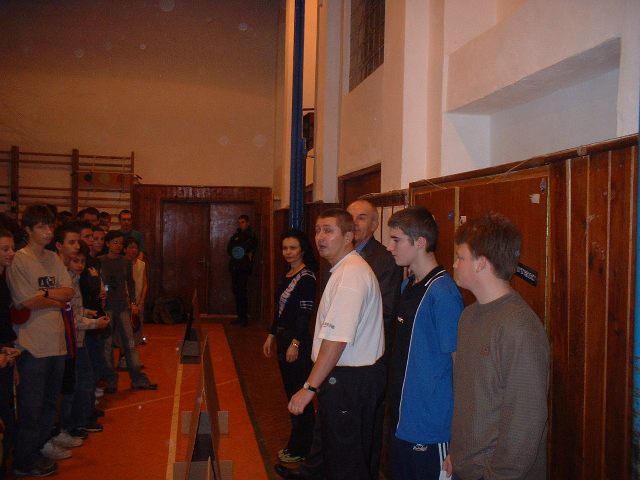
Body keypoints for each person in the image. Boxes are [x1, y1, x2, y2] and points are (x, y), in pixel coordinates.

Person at [276, 199, 402, 480]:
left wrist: (309, 387)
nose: (320, 237)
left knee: (347, 462)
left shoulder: (351, 276)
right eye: (318, 230)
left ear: (348, 237)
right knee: (340, 453)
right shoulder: (345, 269)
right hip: (349, 378)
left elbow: (336, 341)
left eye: (329, 230)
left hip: (350, 379)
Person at [444, 213, 549, 480]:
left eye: (460, 257)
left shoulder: (519, 326)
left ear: (481, 263)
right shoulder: (468, 316)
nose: (454, 264)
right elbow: (470, 397)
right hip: (464, 467)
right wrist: (457, 453)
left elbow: (525, 419)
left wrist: (495, 475)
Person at [386, 207, 463, 480]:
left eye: (396, 240)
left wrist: (458, 437)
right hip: (403, 420)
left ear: (420, 242)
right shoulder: (407, 286)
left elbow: (459, 366)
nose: (390, 247)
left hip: (431, 428)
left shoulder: (443, 293)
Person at [7, 204, 74, 477]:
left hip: (57, 344)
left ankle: (37, 451)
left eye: (50, 226)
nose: (48, 232)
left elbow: (68, 291)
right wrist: (53, 298)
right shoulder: (19, 260)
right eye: (41, 227)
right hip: (32, 346)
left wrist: (45, 294)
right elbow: (26, 300)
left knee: (49, 404)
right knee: (31, 408)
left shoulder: (54, 258)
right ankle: (24, 460)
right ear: (28, 230)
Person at [263, 230, 317, 464]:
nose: (288, 252)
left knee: (299, 395)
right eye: (285, 248)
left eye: (293, 248)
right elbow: (280, 312)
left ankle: (302, 447)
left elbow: (304, 315)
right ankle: (298, 443)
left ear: (302, 249)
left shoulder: (306, 278)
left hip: (297, 343)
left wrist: (295, 343)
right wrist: (271, 335)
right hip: (283, 340)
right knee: (290, 393)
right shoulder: (287, 275)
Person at [99, 230, 157, 392]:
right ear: (107, 244)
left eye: (120, 243)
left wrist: (133, 303)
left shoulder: (125, 261)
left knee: (130, 343)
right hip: (106, 308)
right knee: (107, 346)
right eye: (115, 242)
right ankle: (111, 381)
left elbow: (130, 283)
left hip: (123, 307)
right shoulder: (100, 261)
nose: (118, 246)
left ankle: (137, 378)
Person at [0, 229, 20, 478]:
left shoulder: (3, 280)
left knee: (8, 422)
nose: (11, 253)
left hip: (5, 357)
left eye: (12, 248)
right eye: (5, 249)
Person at [227, 214, 257, 326]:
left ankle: (244, 318)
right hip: (234, 267)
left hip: (243, 268)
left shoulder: (251, 236)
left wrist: (238, 250)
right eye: (239, 222)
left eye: (243, 222)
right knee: (236, 292)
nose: (241, 224)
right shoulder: (236, 235)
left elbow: (245, 249)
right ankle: (239, 316)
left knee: (242, 292)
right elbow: (229, 249)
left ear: (248, 223)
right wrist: (237, 250)